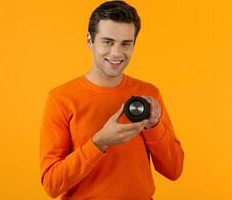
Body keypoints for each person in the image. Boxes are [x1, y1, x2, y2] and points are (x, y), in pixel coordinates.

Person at [39, 1, 184, 199]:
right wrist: (99, 142)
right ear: (90, 40)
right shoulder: (61, 98)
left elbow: (174, 170)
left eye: (126, 43)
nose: (116, 53)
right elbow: (52, 184)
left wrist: (154, 126)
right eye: (107, 42)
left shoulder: (148, 94)